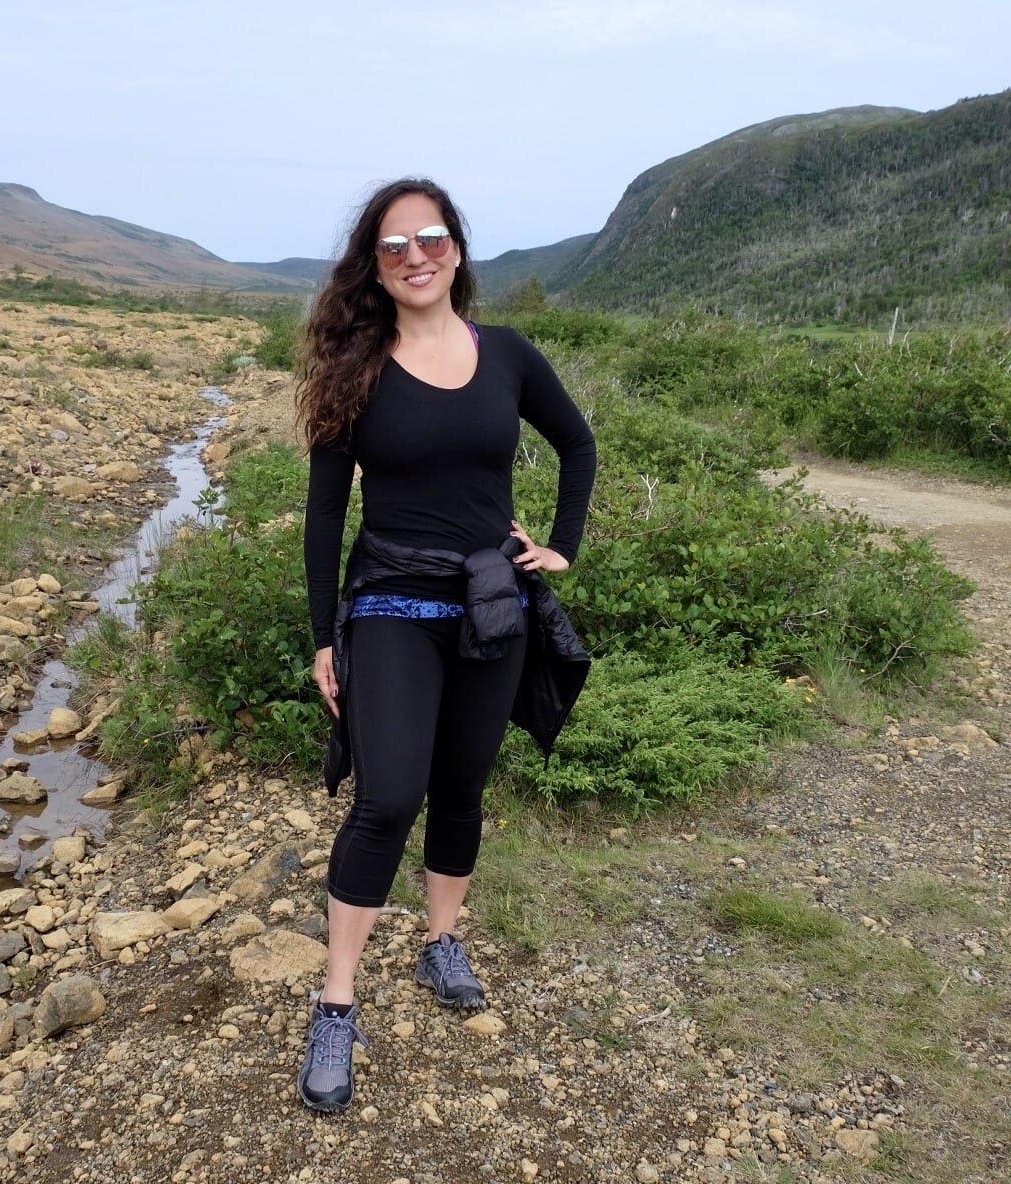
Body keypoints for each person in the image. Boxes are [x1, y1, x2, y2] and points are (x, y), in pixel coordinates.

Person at [294, 177, 597, 1113]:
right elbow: (323, 513)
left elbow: (578, 445)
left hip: (488, 608)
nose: (415, 255)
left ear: (457, 251)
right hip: (389, 604)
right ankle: (337, 1003)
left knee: (464, 786)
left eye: (431, 238)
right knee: (388, 796)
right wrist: (321, 637)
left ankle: (439, 941)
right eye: (395, 245)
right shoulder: (357, 369)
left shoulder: (506, 355)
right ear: (376, 268)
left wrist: (562, 546)